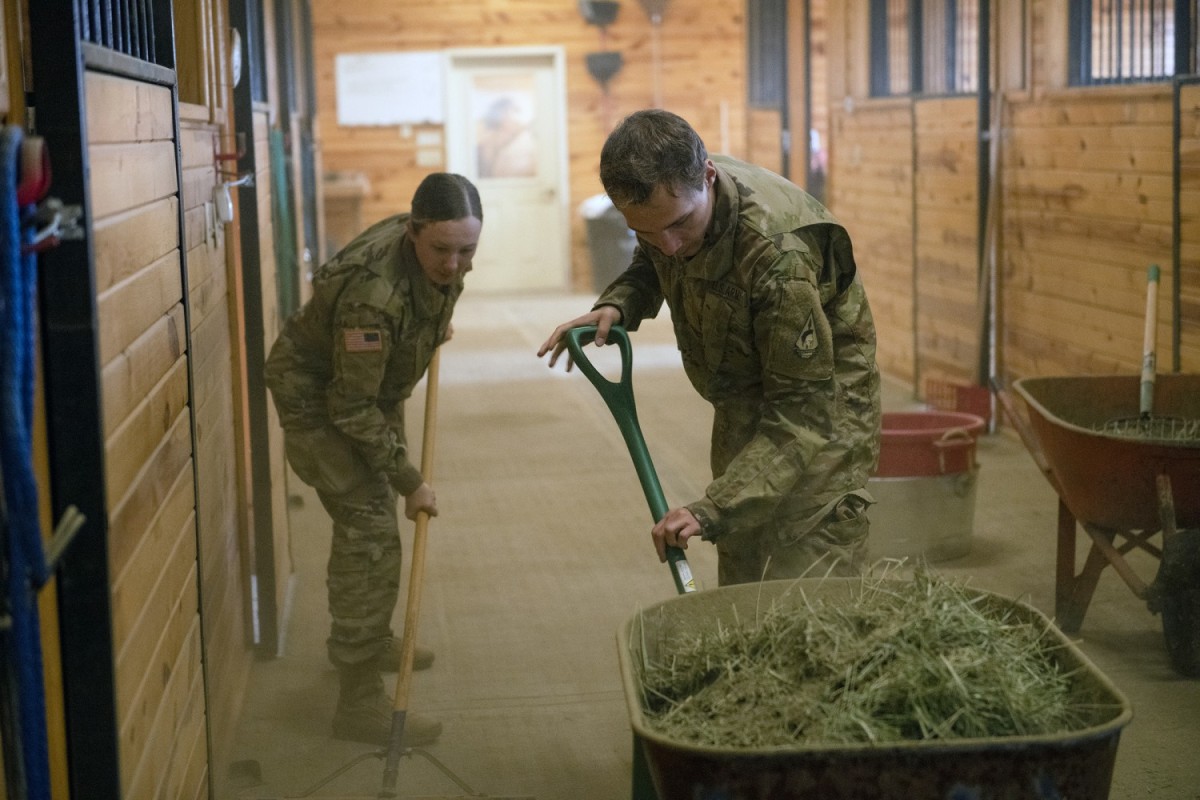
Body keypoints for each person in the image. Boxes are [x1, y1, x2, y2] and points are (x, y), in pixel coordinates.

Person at [539, 109, 881, 586]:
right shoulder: (673, 199)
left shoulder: (779, 260)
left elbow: (803, 415)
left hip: (822, 404)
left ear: (708, 177)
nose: (671, 246)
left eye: (680, 225)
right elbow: (657, 254)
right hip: (744, 387)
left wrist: (712, 507)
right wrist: (619, 304)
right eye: (646, 230)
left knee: (809, 566)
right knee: (742, 549)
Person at [264, 173, 482, 747]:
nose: (455, 265)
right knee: (369, 526)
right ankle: (357, 698)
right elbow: (351, 407)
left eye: (468, 252)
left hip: (370, 388)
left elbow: (431, 289)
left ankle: (372, 638)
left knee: (377, 504)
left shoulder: (431, 247)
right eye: (442, 251)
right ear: (412, 233)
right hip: (318, 396)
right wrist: (411, 480)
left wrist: (432, 319)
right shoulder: (373, 300)